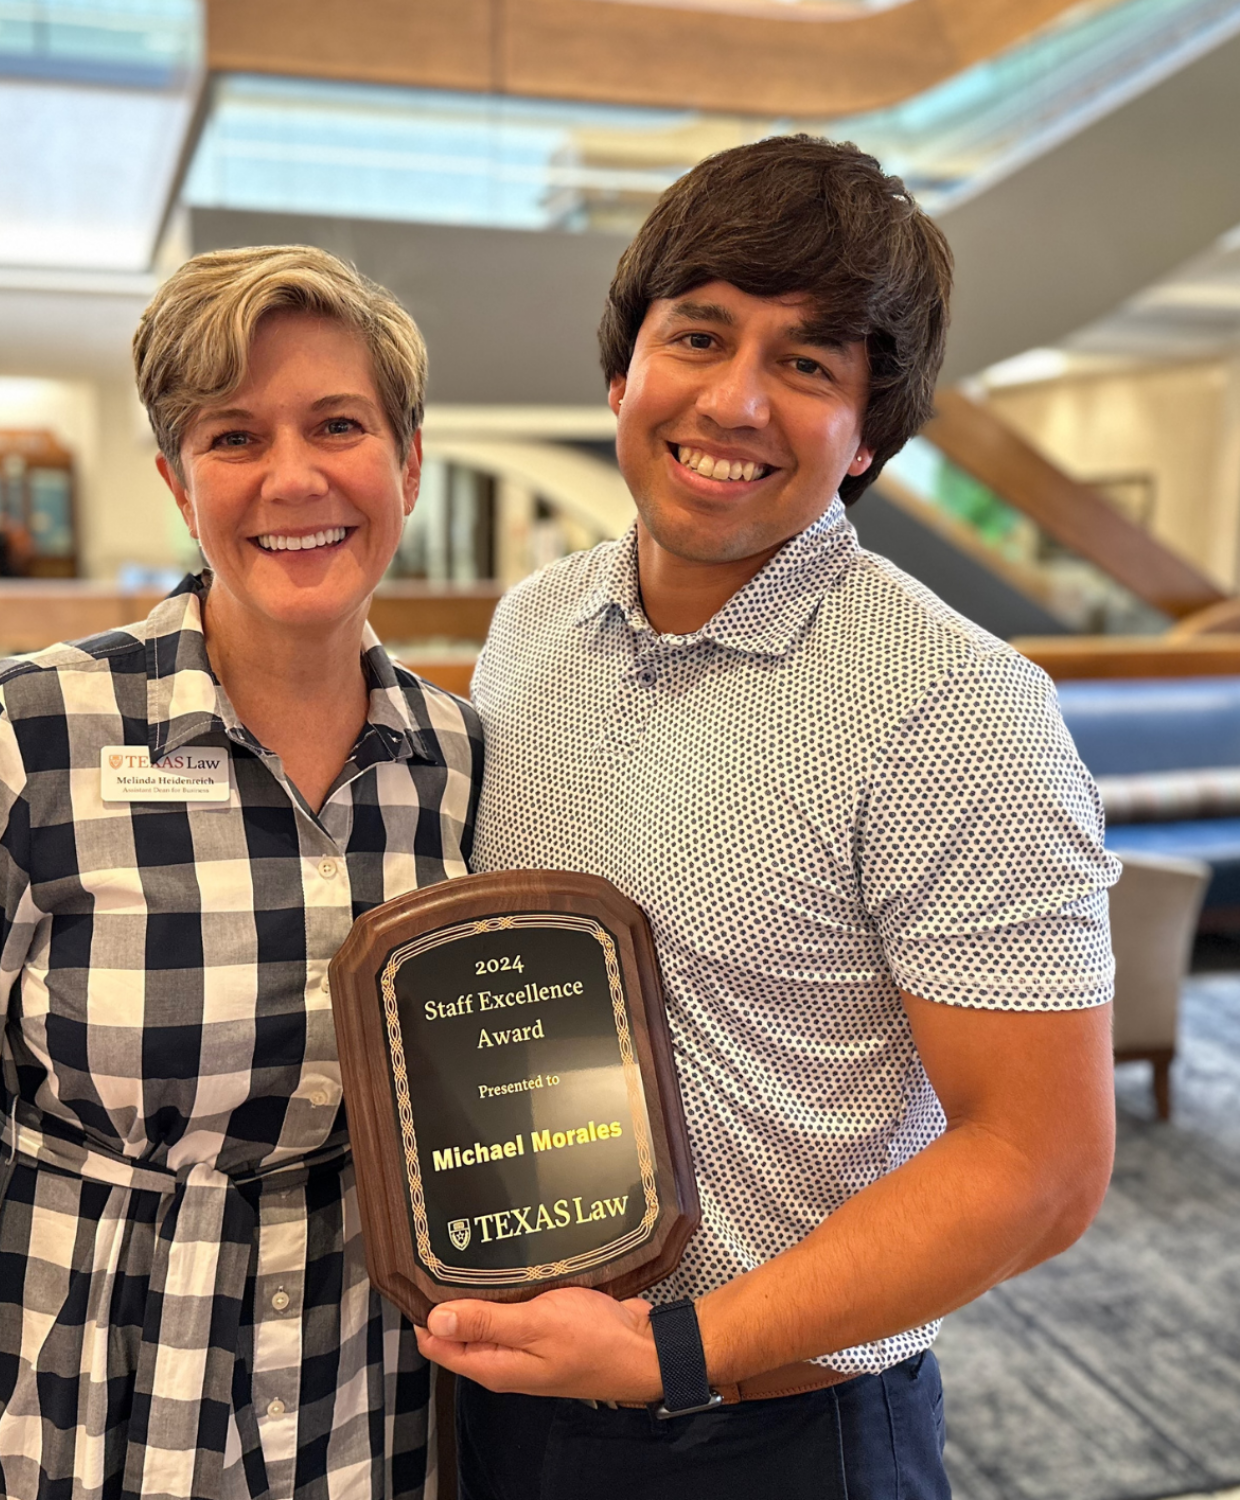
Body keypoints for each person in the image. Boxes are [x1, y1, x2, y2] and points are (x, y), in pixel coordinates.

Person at [417, 136, 1119, 1498]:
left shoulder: (956, 707)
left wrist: (676, 1351)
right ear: (624, 370)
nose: (733, 401)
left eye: (807, 364)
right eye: (699, 335)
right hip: (509, 1400)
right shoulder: (529, 631)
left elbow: (1041, 1165)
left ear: (870, 435)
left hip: (780, 1436)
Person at [0, 246, 480, 1500]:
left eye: (339, 424)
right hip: (84, 1390)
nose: (294, 477)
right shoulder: (24, 733)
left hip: (366, 1402)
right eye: (234, 438)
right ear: (177, 483)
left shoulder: (458, 759)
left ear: (409, 461)